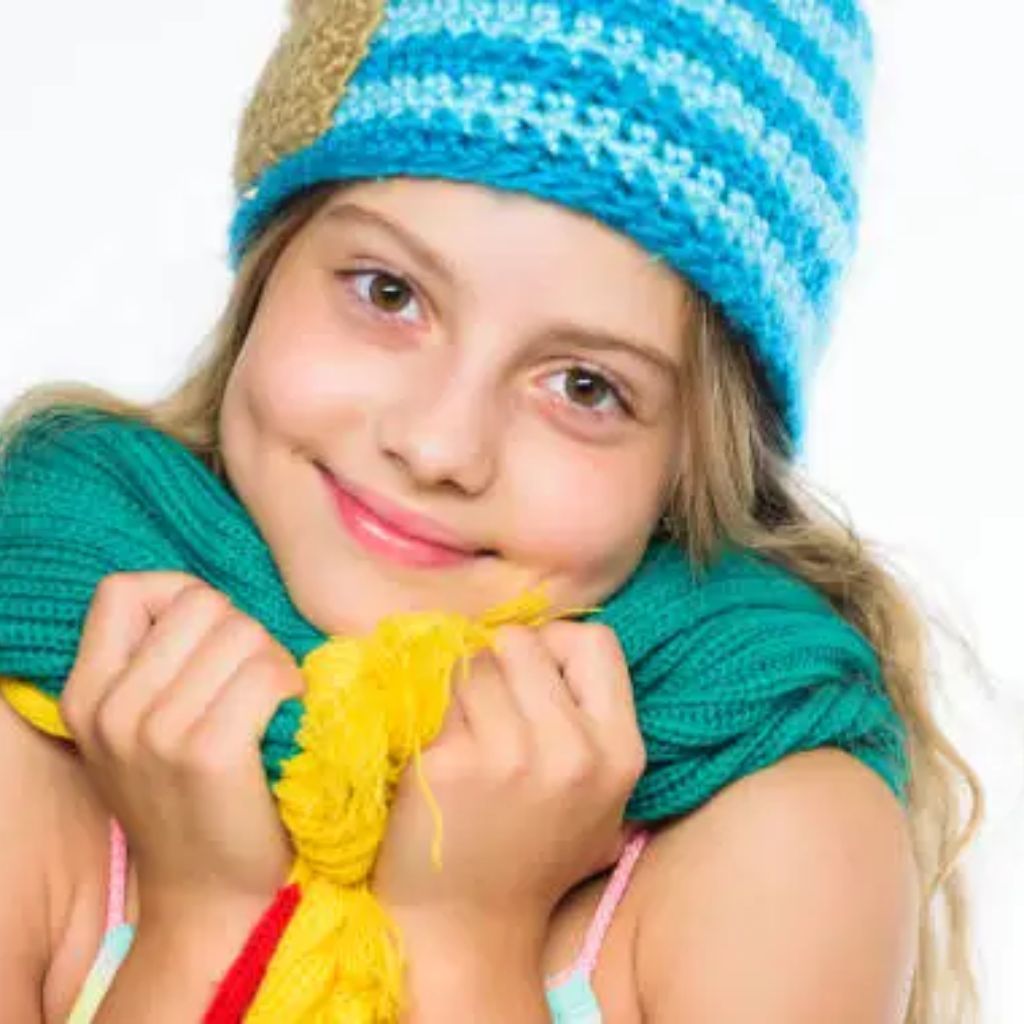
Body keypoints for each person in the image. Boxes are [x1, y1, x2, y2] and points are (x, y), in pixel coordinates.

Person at [0, 1, 982, 1021]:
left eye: (585, 387)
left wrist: (458, 941)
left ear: (694, 465)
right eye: (387, 292)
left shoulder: (783, 837)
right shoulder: (30, 716)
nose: (437, 447)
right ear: (267, 269)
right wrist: (209, 913)